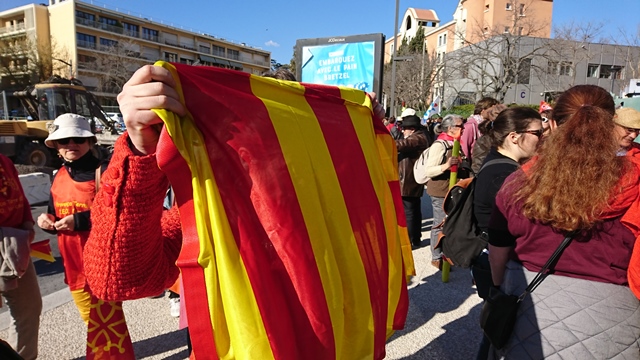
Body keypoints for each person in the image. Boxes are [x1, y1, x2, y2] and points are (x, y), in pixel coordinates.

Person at [83, 64, 392, 359]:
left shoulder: (330, 197)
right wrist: (140, 149)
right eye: (261, 132)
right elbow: (118, 279)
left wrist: (362, 126)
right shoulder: (218, 206)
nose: (279, 148)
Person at [487, 85, 640, 358]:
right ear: (612, 125)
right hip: (616, 314)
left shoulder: (521, 181)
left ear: (553, 124)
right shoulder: (634, 181)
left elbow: (499, 247)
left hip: (529, 306)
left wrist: (499, 289)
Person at [37, 114, 134, 357]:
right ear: (56, 147)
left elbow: (120, 212)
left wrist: (78, 221)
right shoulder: (58, 175)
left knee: (106, 321)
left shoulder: (104, 172)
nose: (71, 145)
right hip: (73, 264)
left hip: (102, 263)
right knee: (90, 320)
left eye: (77, 139)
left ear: (90, 142)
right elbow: (53, 212)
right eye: (63, 141)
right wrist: (46, 222)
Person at [471, 107, 543, 360]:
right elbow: (504, 232)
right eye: (537, 133)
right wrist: (500, 283)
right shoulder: (505, 175)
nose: (541, 139)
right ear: (514, 136)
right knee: (499, 330)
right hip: (497, 261)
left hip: (492, 258)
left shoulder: (500, 164)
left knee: (496, 329)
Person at [0, 154, 41, 359]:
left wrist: (27, 223)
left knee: (29, 308)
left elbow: (20, 195)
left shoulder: (4, 161)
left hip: (16, 244)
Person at [414, 114, 466, 269]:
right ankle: (436, 256)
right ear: (450, 128)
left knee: (450, 224)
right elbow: (430, 170)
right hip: (440, 191)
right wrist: (446, 165)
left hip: (453, 190)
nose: (462, 129)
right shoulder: (440, 145)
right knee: (440, 224)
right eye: (459, 126)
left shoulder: (456, 143)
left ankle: (447, 254)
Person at [395, 109, 429, 249]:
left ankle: (410, 240)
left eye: (405, 129)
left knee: (409, 211)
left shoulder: (417, 138)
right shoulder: (420, 136)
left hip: (409, 179)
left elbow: (400, 145)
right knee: (413, 209)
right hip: (411, 178)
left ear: (412, 129)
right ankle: (415, 238)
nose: (403, 131)